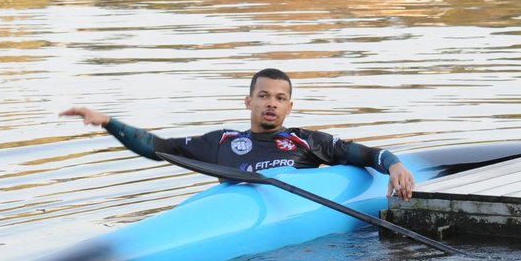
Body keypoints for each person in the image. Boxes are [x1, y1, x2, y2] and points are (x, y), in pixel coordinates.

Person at [61, 68, 417, 200]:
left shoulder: (306, 141)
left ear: (290, 107)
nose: (271, 104)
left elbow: (365, 155)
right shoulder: (223, 143)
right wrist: (107, 121)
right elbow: (159, 148)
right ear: (248, 100)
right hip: (233, 214)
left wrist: (395, 166)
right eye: (263, 96)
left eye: (280, 98)